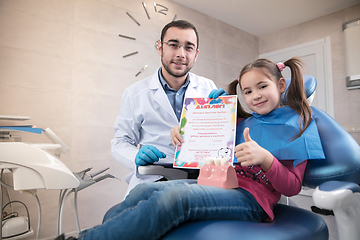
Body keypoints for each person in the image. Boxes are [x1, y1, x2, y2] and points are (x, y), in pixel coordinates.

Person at [56, 57, 324, 240]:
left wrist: (267, 160)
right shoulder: (242, 121)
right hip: (219, 186)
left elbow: (292, 188)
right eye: (248, 91)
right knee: (143, 189)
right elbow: (206, 142)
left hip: (253, 200)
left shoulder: (299, 125)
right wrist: (189, 125)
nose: (255, 96)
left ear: (280, 85)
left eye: (262, 87)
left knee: (172, 200)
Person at [111, 20, 224, 196]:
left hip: (199, 179)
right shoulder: (135, 93)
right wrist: (136, 157)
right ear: (160, 48)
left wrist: (227, 115)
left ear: (196, 54)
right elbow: (120, 142)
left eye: (188, 47)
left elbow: (218, 140)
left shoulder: (208, 87)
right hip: (153, 178)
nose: (181, 54)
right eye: (173, 45)